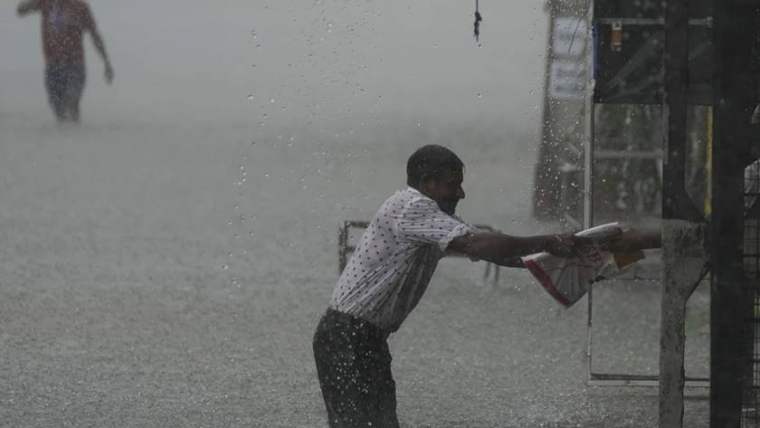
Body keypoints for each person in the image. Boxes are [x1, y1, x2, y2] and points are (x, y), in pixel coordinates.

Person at [312, 144, 588, 428]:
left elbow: (491, 250)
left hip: (366, 338)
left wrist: (569, 263)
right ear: (427, 183)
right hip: (345, 336)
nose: (461, 193)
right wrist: (548, 241)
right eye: (453, 185)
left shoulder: (435, 221)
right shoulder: (411, 206)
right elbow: (476, 243)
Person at [17, 0, 114, 123]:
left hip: (74, 66)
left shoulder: (80, 7)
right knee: (58, 110)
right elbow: (20, 10)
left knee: (71, 102)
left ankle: (76, 137)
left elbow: (95, 35)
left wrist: (106, 62)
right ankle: (65, 140)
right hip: (53, 66)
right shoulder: (46, 3)